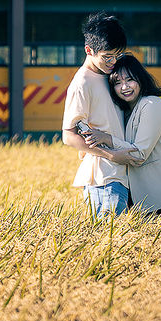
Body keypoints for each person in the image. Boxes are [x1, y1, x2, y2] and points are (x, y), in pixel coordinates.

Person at [83, 54, 161, 214]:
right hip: (148, 202)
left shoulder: (151, 105)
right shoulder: (126, 112)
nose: (124, 87)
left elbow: (139, 154)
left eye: (129, 80)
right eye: (117, 83)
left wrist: (106, 139)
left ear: (140, 79)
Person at [61, 12, 129, 217]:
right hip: (103, 180)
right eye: (107, 57)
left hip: (121, 175)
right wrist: (110, 154)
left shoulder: (110, 75)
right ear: (88, 50)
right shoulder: (82, 83)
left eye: (117, 55)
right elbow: (68, 136)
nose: (113, 62)